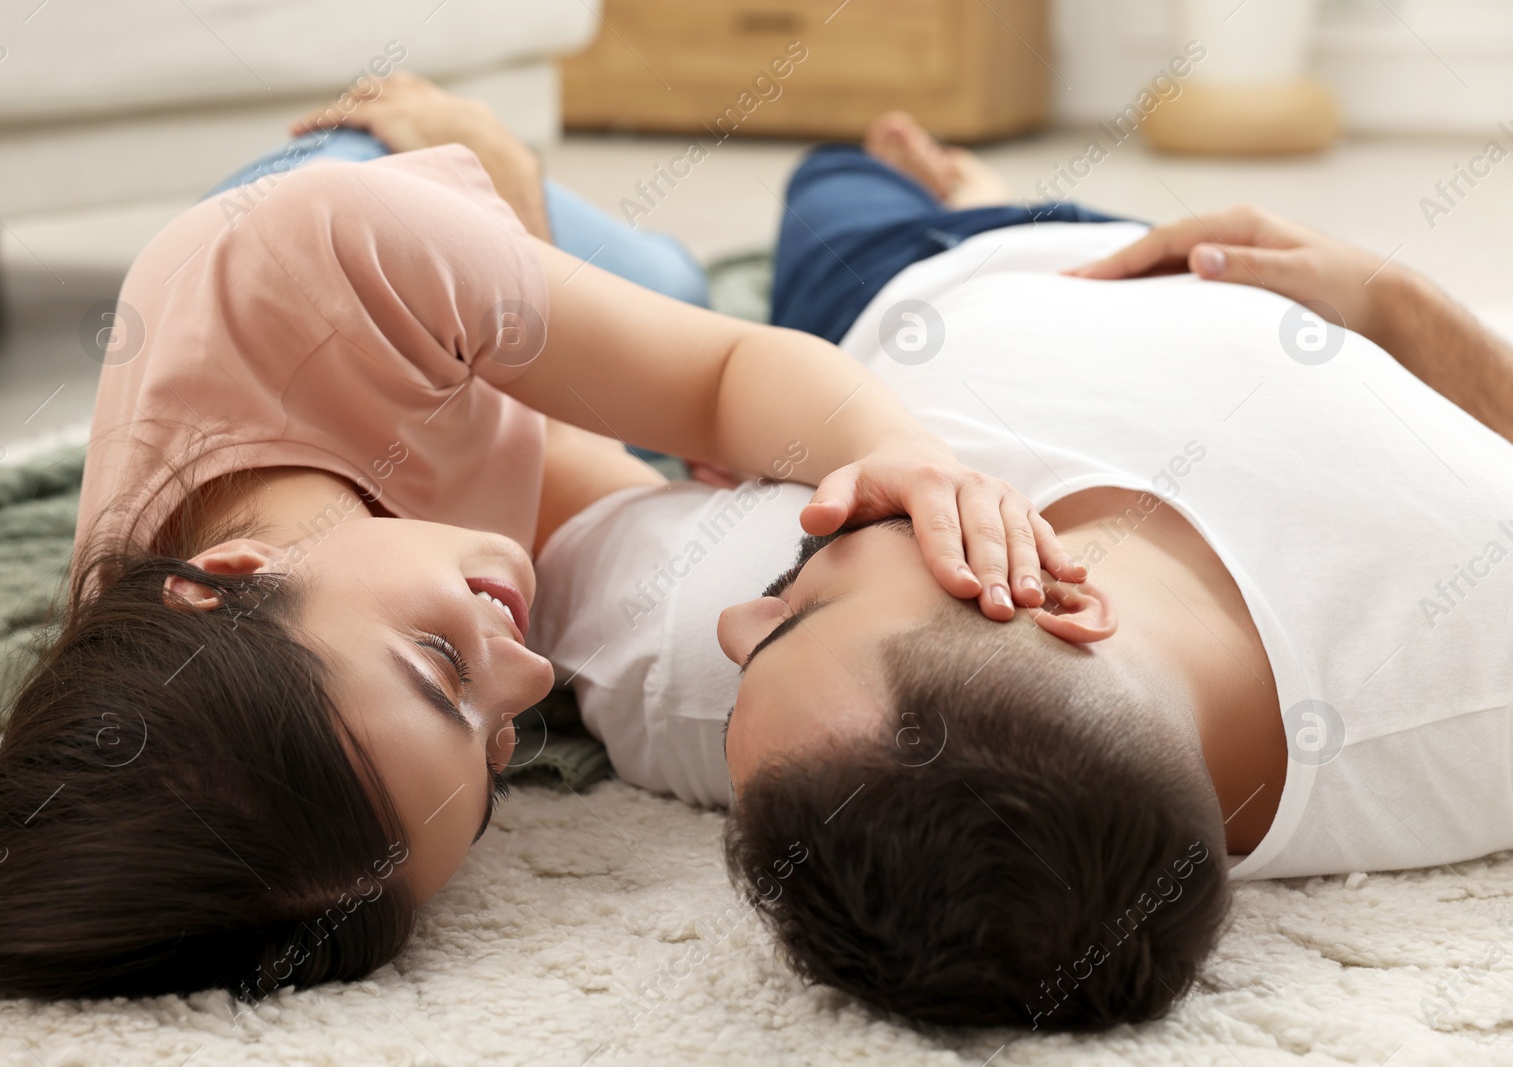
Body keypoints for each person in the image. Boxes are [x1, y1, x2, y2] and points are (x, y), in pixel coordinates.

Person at [0, 79, 1077, 1000]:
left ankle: (499, 164)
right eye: (494, 761)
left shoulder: (332, 262)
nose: (524, 677)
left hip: (379, 223)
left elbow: (725, 376)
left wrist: (918, 466)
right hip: (459, 401)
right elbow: (621, 487)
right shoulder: (269, 656)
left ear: (224, 580)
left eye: (440, 670)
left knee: (746, 278)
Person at [529, 113, 1513, 1031]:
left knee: (838, 170)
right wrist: (1399, 302)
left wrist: (508, 196)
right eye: (794, 619)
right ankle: (971, 184)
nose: (736, 624)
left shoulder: (705, 685)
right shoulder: (1482, 685)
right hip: (1166, 258)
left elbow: (544, 457)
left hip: (905, 289)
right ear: (1055, 600)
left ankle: (945, 189)